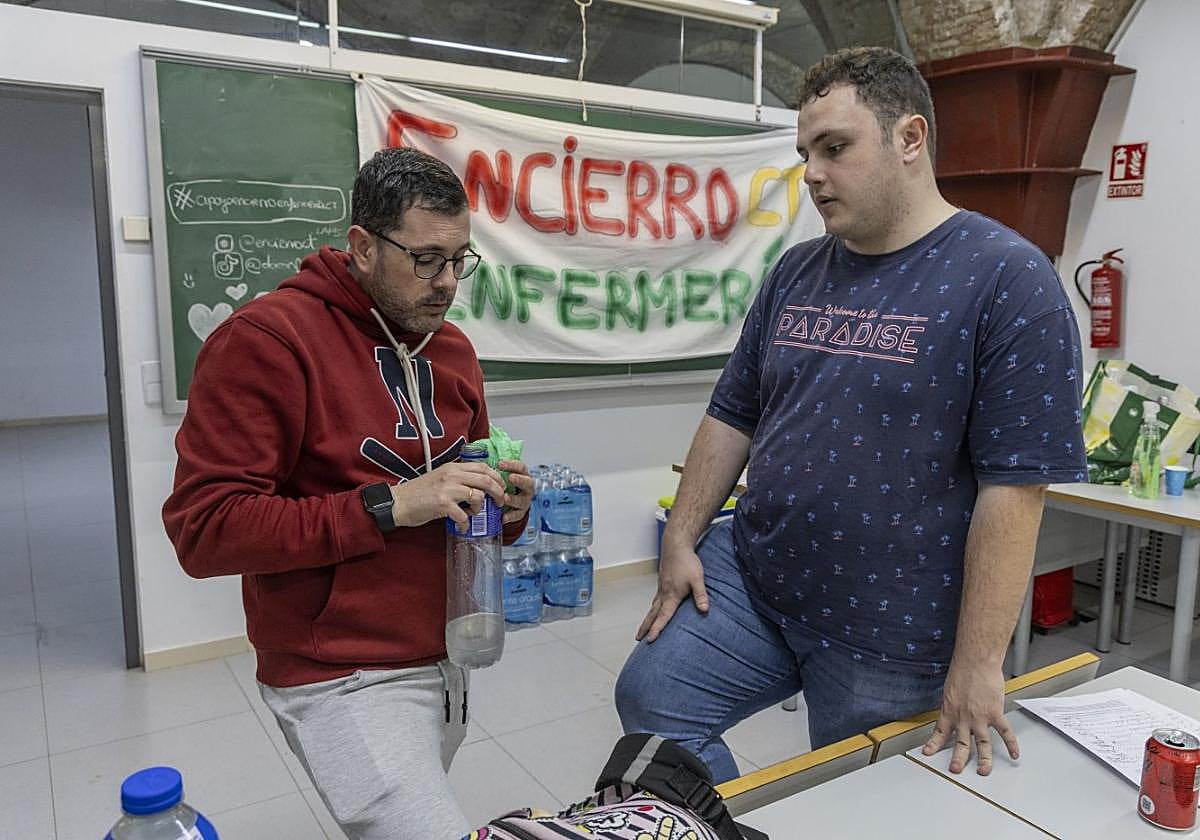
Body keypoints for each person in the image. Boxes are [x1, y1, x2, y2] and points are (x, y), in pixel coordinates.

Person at [615, 46, 1088, 784]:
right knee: (652, 697)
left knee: (855, 801)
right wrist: (682, 535)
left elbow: (1015, 489)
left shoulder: (1008, 281)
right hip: (755, 580)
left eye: (835, 148)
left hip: (891, 630)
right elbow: (733, 411)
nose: (812, 173)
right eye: (806, 152)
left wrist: (979, 661)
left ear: (909, 138)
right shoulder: (797, 269)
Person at [163, 147, 534, 840]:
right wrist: (391, 504)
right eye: (426, 259)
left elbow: (467, 496)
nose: (448, 282)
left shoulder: (449, 349)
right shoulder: (267, 341)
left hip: (444, 652)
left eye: (461, 260)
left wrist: (506, 506)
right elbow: (204, 530)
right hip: (340, 675)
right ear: (362, 246)